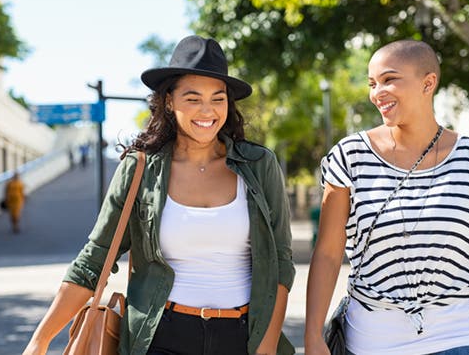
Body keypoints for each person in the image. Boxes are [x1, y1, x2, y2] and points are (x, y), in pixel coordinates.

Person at [23, 35, 295, 355]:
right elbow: (93, 261)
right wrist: (40, 341)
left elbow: (280, 262)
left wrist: (265, 347)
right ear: (168, 100)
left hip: (243, 337)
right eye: (193, 98)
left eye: (217, 98)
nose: (207, 110)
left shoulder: (259, 166)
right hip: (161, 337)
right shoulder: (140, 168)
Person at [305, 40, 469, 355]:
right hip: (372, 340)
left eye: (389, 79)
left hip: (458, 336)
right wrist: (313, 336)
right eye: (372, 83)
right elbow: (328, 253)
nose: (377, 92)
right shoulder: (350, 156)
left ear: (428, 83)